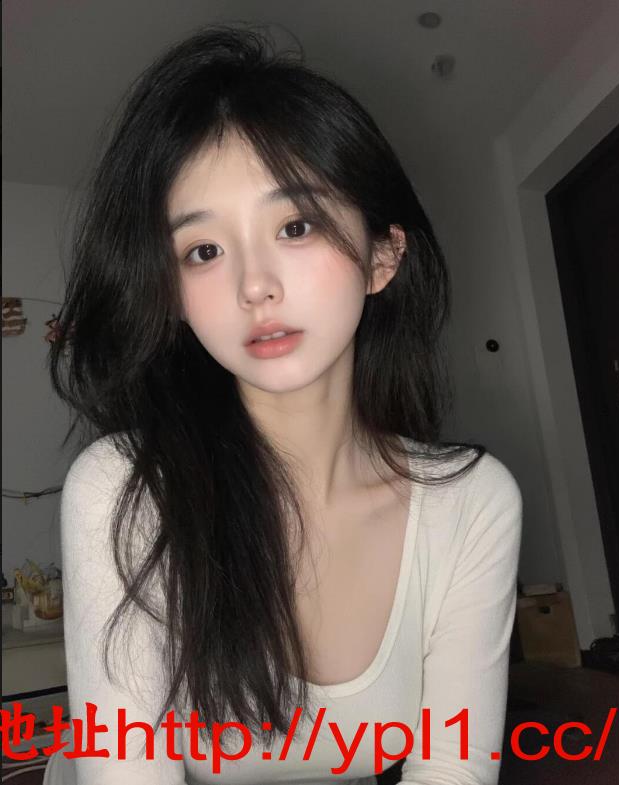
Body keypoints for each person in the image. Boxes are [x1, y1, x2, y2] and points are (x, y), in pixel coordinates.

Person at [43, 25, 522, 785]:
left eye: (295, 226)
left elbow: (453, 771)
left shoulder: (471, 505)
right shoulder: (125, 491)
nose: (254, 286)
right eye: (203, 250)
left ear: (383, 255)